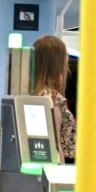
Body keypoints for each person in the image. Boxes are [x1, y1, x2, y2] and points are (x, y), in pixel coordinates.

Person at [33, 34, 77, 163]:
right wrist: (60, 171)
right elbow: (56, 145)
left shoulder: (34, 95)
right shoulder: (52, 98)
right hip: (58, 165)